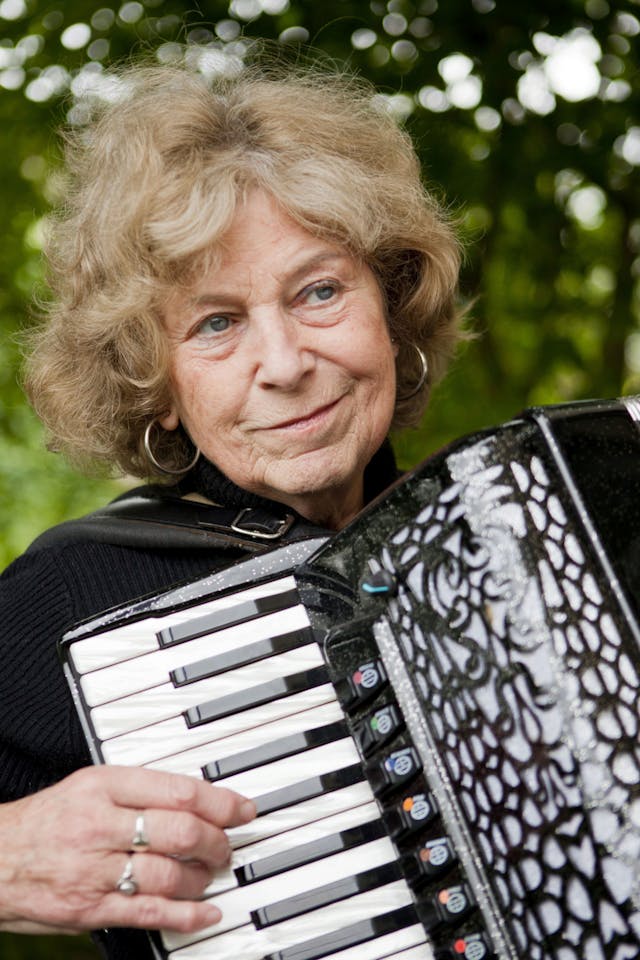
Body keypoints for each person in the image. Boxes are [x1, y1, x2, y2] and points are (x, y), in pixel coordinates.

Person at [0, 54, 463, 959]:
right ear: (158, 385)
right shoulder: (73, 590)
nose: (285, 362)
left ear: (391, 308)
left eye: (319, 290)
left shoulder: (503, 529)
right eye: (216, 323)